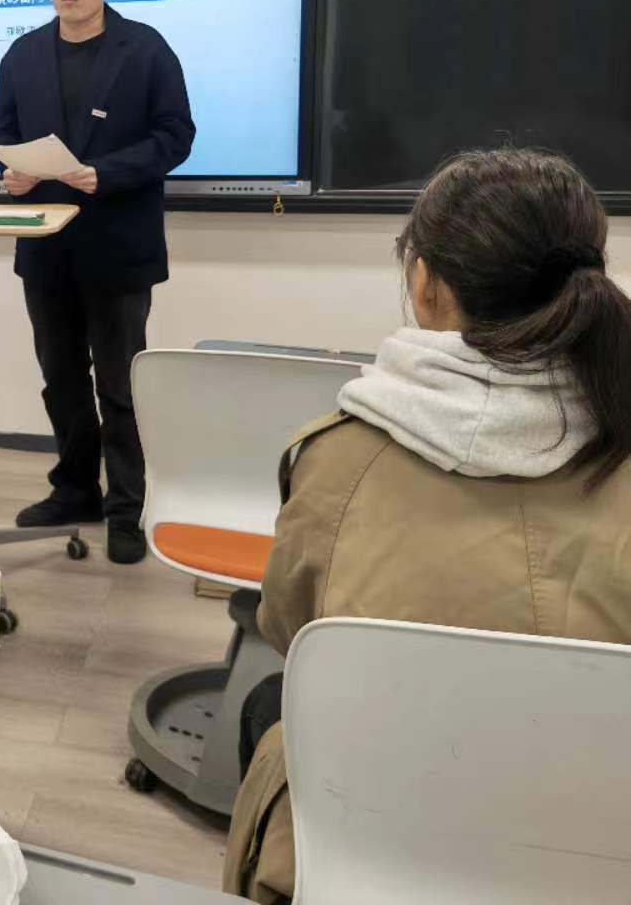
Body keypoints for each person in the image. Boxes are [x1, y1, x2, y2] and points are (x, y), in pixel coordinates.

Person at [224, 148, 631, 903]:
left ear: (425, 284)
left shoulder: (338, 459)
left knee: (266, 709)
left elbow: (288, 628)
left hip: (384, 829)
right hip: (600, 838)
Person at [0, 0, 195, 564]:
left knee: (120, 384)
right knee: (61, 380)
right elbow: (2, 133)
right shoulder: (23, 54)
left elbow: (176, 136)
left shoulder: (145, 49)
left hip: (119, 245)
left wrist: (109, 173)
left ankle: (127, 508)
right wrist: (10, 174)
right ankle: (74, 489)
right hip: (46, 246)